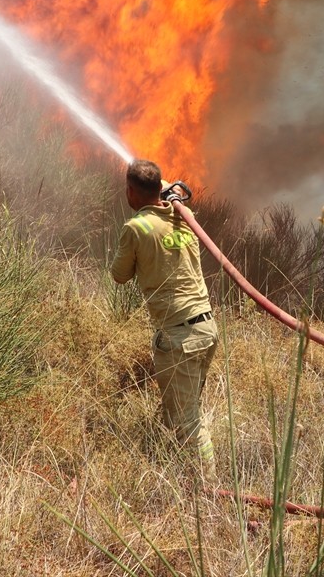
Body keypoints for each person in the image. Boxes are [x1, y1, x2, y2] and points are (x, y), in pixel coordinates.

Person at [110, 159, 219, 477]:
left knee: (188, 421)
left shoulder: (136, 228)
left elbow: (119, 276)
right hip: (206, 329)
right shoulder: (184, 217)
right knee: (182, 408)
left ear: (131, 191)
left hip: (178, 338)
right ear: (161, 188)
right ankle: (170, 466)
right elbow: (168, 201)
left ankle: (208, 490)